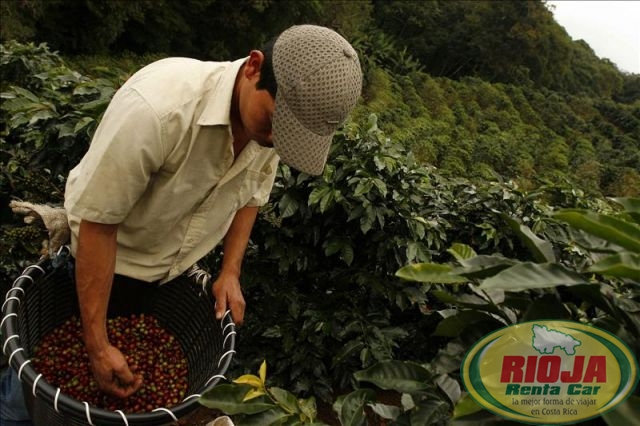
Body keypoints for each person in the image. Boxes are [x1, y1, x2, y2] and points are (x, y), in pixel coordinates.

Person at [0, 24, 362, 424]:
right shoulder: (158, 110)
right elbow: (98, 225)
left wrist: (230, 271)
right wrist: (97, 346)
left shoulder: (268, 132)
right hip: (94, 266)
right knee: (25, 401)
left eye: (291, 135)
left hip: (163, 279)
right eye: (277, 123)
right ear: (253, 68)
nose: (277, 139)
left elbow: (251, 196)